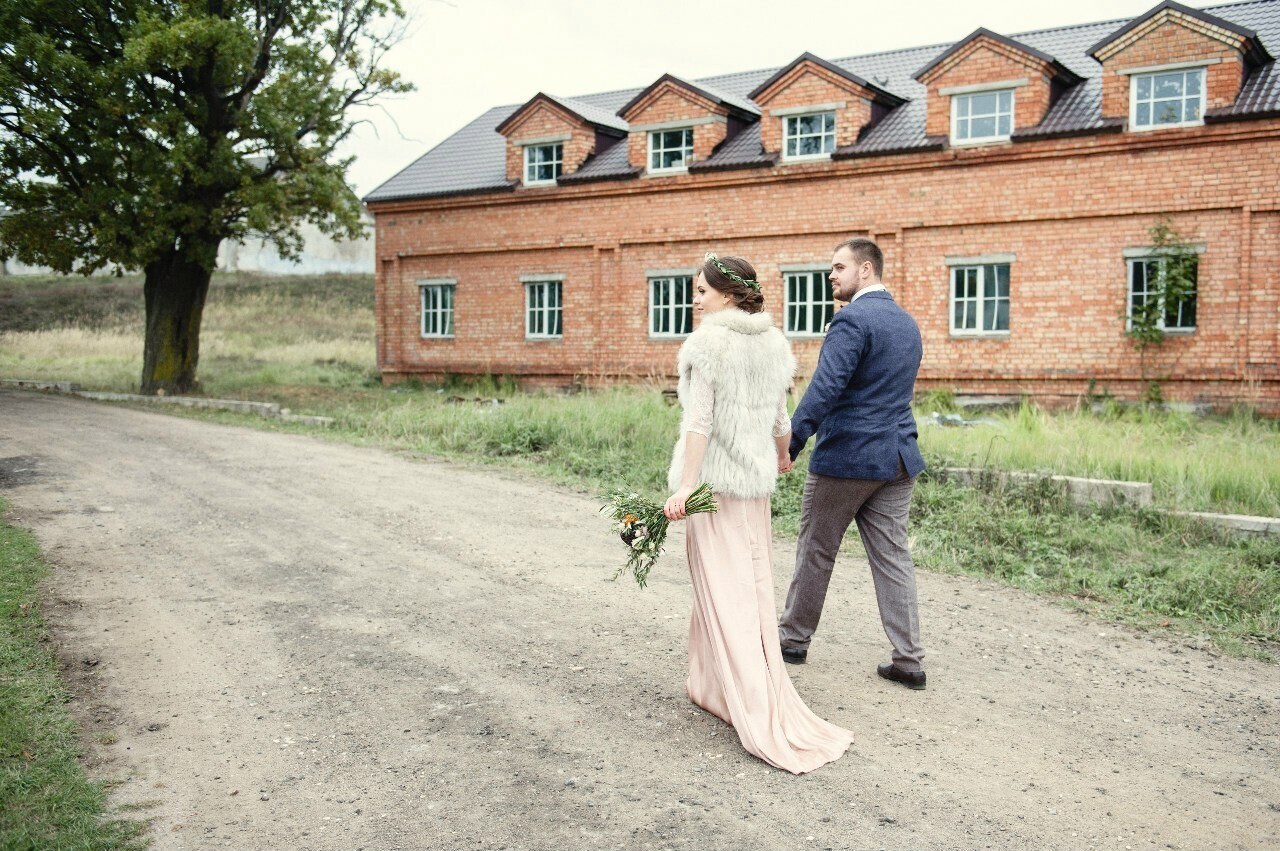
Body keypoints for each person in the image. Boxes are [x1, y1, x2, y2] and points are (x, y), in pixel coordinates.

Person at [663, 252, 852, 774]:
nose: (695, 300)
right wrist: (782, 456)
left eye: (701, 291)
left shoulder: (707, 345)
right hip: (753, 491)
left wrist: (685, 486)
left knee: (723, 591)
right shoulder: (772, 344)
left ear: (727, 294)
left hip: (716, 487)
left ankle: (746, 699)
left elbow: (698, 423)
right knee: (750, 587)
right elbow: (780, 419)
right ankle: (714, 686)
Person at [777, 238, 928, 690]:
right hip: (897, 457)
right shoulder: (907, 323)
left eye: (839, 267)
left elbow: (824, 389)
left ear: (866, 269)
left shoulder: (851, 320)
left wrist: (789, 443)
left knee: (816, 548)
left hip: (848, 458)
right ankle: (909, 660)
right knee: (893, 557)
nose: (831, 275)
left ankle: (792, 640)